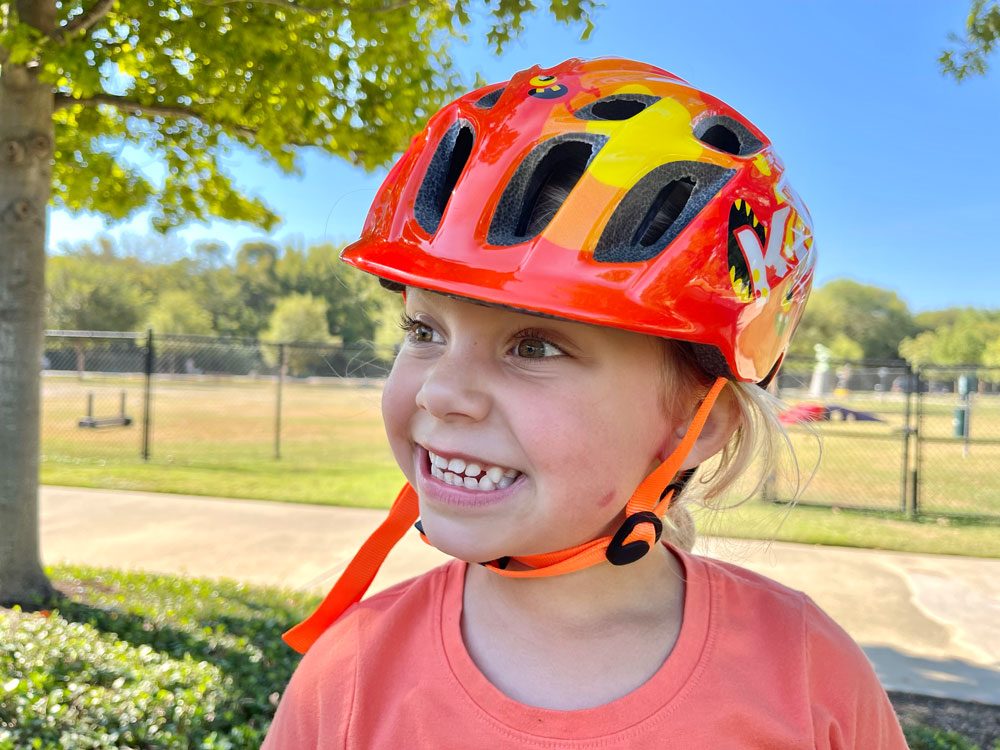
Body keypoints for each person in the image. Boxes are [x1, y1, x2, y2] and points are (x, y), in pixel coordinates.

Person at [262, 57, 907, 749]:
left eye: (535, 347)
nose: (440, 391)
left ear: (696, 425)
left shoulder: (807, 676)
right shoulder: (349, 676)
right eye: (424, 332)